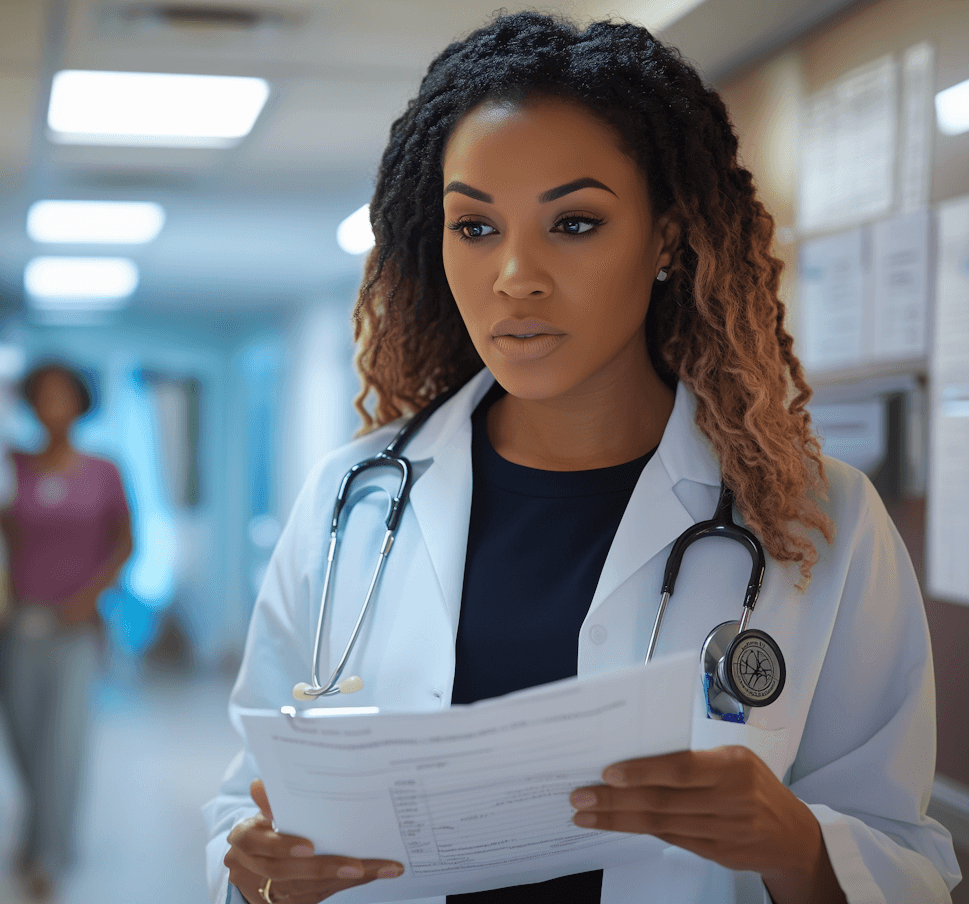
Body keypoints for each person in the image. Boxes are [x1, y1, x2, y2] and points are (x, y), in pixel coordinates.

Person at [204, 12, 960, 904]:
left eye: (574, 223)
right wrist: (254, 869)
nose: (515, 274)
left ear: (668, 238)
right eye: (475, 227)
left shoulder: (814, 520)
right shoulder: (351, 502)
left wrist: (795, 845)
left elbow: (906, 858)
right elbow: (245, 805)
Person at [0, 360, 133, 900]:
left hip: (76, 628)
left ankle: (48, 856)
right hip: (18, 622)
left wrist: (91, 595)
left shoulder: (104, 471)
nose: (52, 406)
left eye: (63, 395)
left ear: (81, 403)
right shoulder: (11, 466)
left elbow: (126, 543)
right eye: (42, 396)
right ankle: (37, 834)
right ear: (29, 403)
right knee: (23, 739)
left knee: (64, 744)